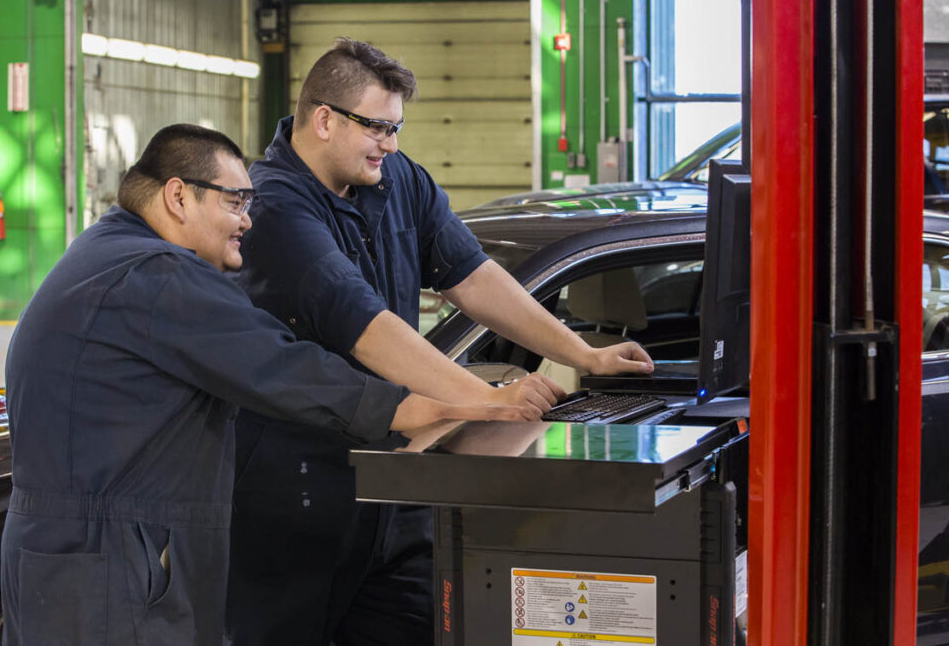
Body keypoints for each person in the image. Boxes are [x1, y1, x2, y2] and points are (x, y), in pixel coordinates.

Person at [0, 124, 543, 646]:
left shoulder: (101, 253)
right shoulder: (155, 276)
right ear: (178, 197)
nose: (248, 221)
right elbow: (277, 364)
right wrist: (407, 407)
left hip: (77, 554)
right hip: (110, 564)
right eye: (235, 202)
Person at [227, 39, 655, 645]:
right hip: (298, 496)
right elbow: (366, 327)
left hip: (396, 486)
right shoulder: (274, 207)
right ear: (323, 119)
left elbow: (472, 275)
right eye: (377, 127)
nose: (392, 144)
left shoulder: (396, 178)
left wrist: (579, 354)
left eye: (397, 127)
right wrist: (485, 401)